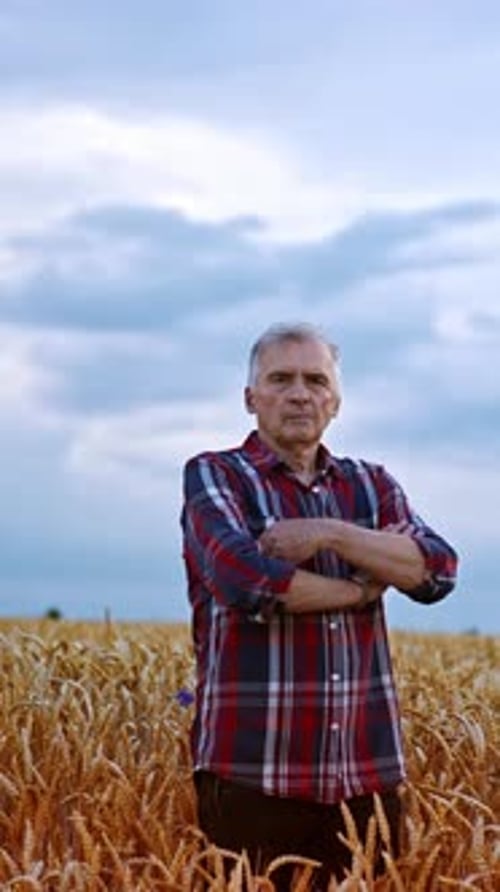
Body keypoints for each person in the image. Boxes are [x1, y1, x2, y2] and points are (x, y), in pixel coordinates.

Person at [181, 322, 458, 888]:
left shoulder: (371, 485)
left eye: (315, 380)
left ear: (335, 400)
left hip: (365, 779)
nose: (299, 393)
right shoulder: (215, 475)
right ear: (250, 398)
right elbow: (246, 581)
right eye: (280, 379)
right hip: (252, 777)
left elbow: (435, 570)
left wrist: (329, 533)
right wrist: (361, 589)